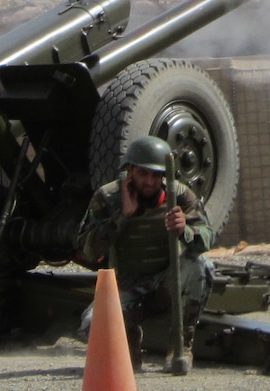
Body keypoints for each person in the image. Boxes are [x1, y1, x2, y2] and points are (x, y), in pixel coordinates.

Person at [76, 135, 215, 372]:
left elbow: (207, 238)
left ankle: (180, 344)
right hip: (127, 288)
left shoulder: (180, 196)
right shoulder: (108, 197)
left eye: (156, 175)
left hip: (166, 284)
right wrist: (122, 217)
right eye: (143, 174)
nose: (150, 182)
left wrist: (186, 231)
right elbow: (87, 249)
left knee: (201, 264)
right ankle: (129, 341)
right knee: (90, 328)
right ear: (129, 171)